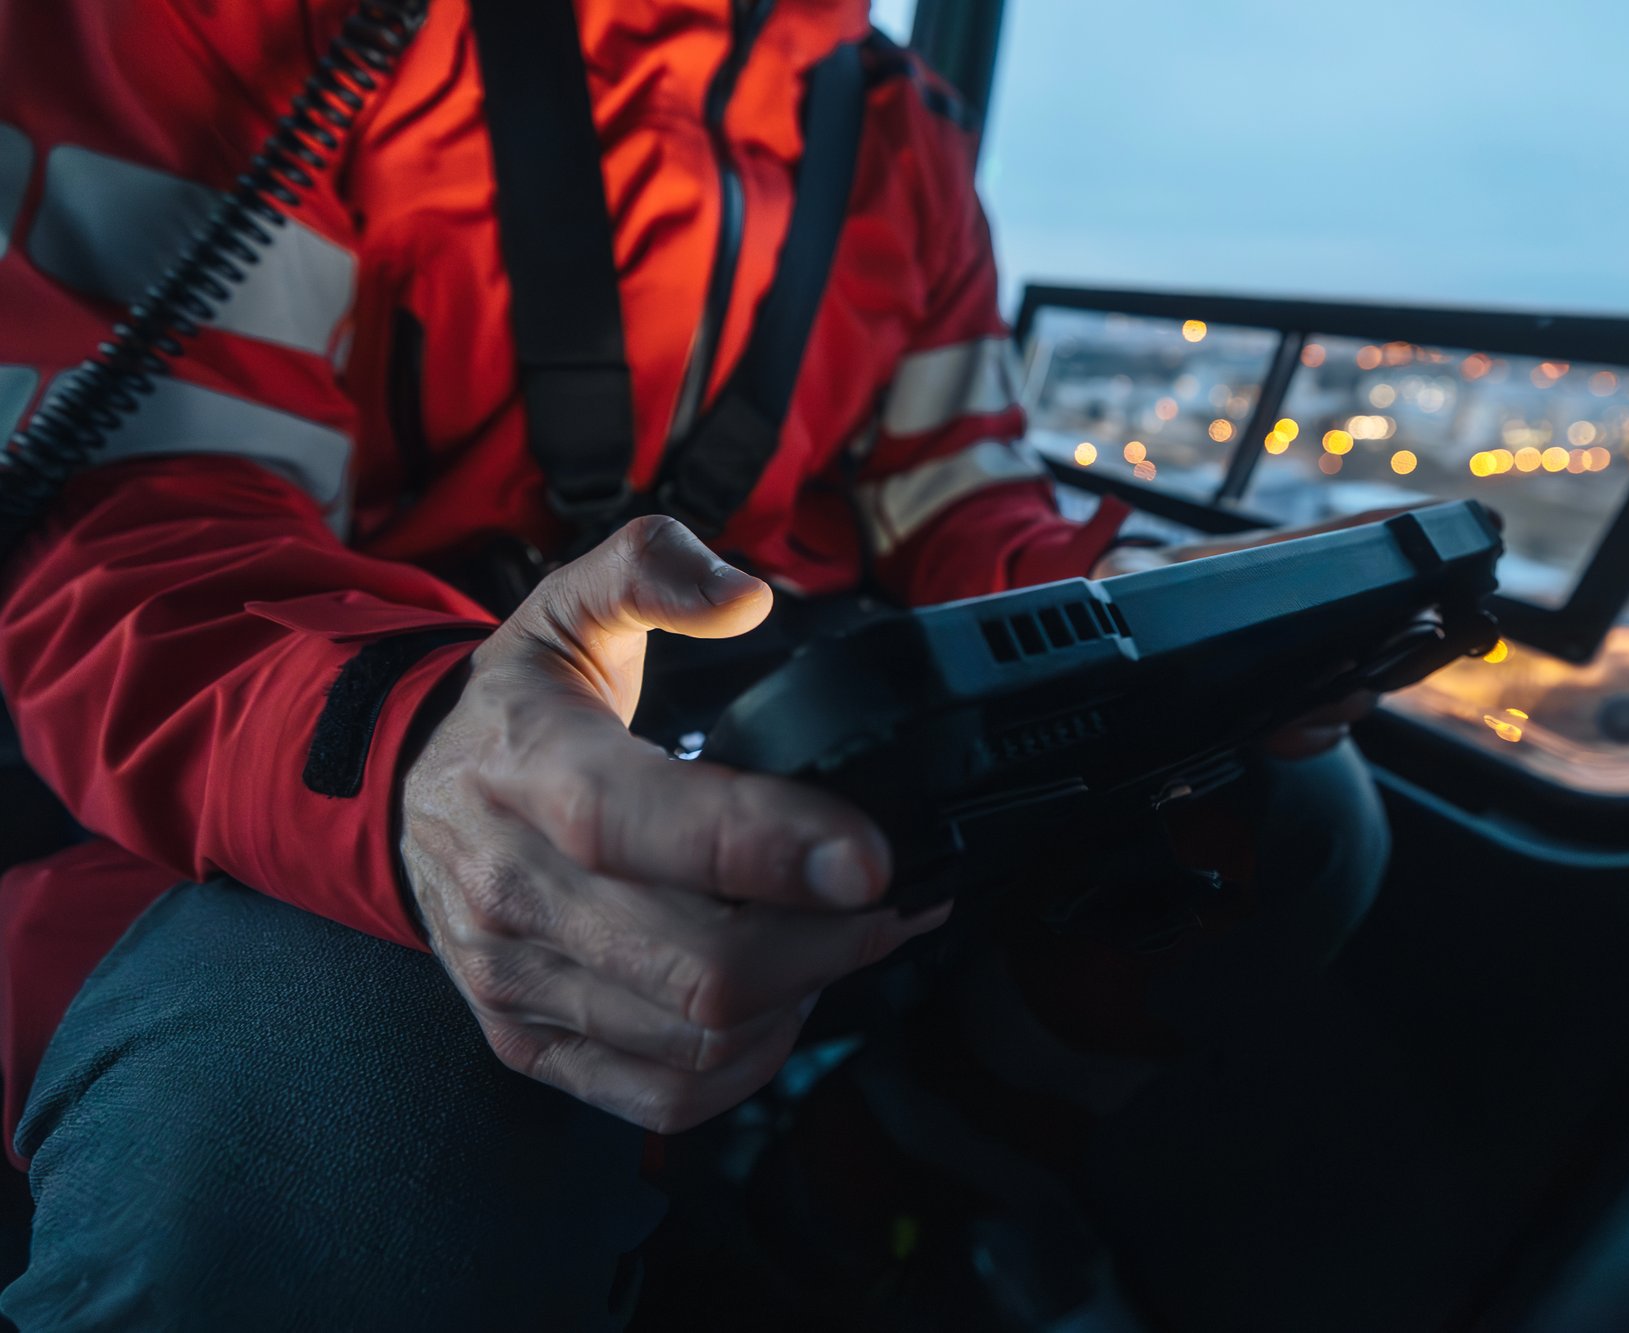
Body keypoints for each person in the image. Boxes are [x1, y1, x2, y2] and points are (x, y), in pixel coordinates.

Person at [0, 1, 1384, 1326]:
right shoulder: (248, 18)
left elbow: (957, 496)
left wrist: (1113, 601)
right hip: (309, 747)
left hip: (742, 715)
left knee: (1297, 817)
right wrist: (424, 759)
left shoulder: (902, 127)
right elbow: (134, 517)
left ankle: (825, 1224)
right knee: (373, 1100)